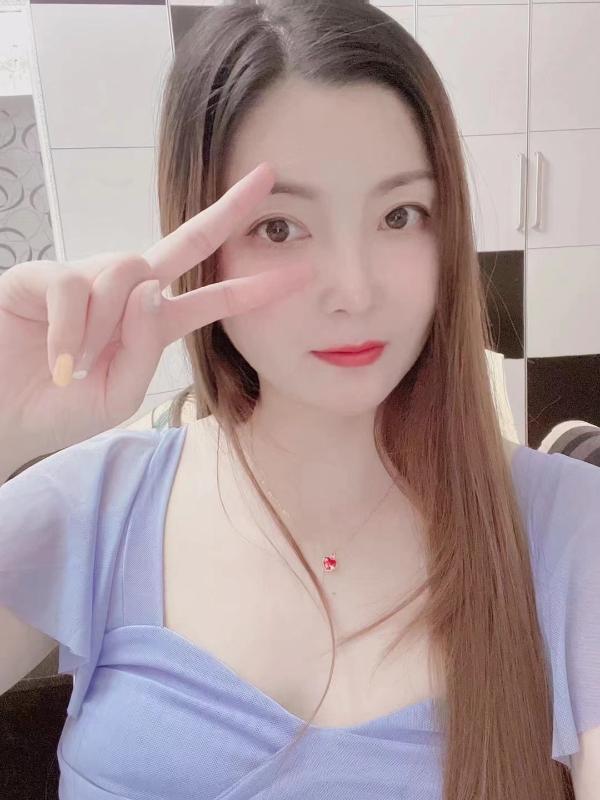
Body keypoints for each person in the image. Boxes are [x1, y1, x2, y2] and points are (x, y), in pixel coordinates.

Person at [0, 1, 598, 798]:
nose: (354, 290)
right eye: (280, 227)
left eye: (399, 215)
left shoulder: (571, 528)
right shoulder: (95, 504)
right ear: (202, 246)